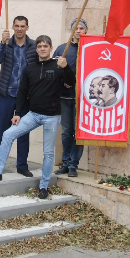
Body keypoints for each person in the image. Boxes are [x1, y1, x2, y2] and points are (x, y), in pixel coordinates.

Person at [0, 35, 73, 198]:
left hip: (52, 117)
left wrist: (66, 68)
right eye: (40, 46)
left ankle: (43, 186)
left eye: (45, 46)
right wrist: (17, 113)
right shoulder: (30, 68)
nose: (42, 49)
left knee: (48, 152)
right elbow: (22, 92)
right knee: (7, 134)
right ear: (36, 49)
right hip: (33, 114)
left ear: (51, 48)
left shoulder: (58, 66)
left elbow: (71, 82)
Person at [0, 16, 37, 177]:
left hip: (26, 96)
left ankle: (22, 165)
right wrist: (2, 43)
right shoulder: (6, 44)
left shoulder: (33, 46)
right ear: (13, 27)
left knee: (23, 132)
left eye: (22, 26)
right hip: (7, 93)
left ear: (27, 27)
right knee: (2, 131)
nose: (19, 29)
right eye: (17, 26)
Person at [53, 18, 87, 178]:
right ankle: (65, 163)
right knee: (66, 131)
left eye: (81, 28)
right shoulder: (62, 49)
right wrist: (62, 82)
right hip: (65, 98)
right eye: (76, 28)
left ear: (86, 30)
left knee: (79, 133)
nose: (78, 31)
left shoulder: (90, 49)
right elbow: (53, 71)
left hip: (83, 99)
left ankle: (74, 164)